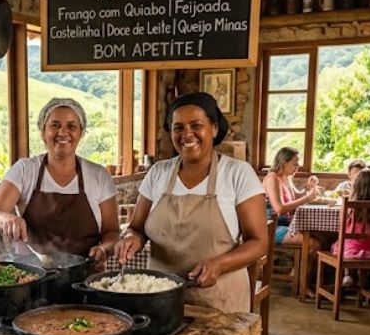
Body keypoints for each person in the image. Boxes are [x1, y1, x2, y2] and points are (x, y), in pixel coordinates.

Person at [114, 92, 268, 314]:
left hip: (219, 300)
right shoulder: (158, 173)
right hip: (159, 299)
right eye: (178, 127)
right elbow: (136, 228)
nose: (187, 134)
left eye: (196, 125)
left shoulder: (238, 173)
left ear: (214, 128)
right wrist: (131, 239)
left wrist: (219, 264)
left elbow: (258, 242)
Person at [0, 98, 118, 264]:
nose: (63, 132)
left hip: (85, 273)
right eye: (55, 125)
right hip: (33, 273)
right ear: (43, 132)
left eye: (71, 126)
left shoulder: (99, 175)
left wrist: (103, 249)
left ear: (81, 133)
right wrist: (5, 218)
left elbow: (112, 232)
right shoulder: (25, 170)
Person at [262, 146, 322, 245]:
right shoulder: (272, 179)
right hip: (272, 227)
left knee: (323, 236)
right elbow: (279, 209)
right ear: (284, 163)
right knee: (314, 243)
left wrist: (308, 187)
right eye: (295, 164)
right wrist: (307, 198)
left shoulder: (287, 177)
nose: (298, 166)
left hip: (287, 224)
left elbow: (297, 196)